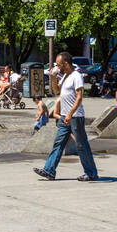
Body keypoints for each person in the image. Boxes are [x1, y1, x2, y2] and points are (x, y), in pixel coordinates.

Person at [33, 52, 100, 182]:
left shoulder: (76, 76)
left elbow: (79, 97)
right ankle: (49, 170)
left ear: (66, 64)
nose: (58, 67)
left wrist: (70, 114)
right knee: (58, 144)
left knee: (81, 145)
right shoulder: (65, 77)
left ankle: (91, 173)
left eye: (59, 65)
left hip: (75, 116)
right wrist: (53, 78)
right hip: (65, 117)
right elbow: (57, 91)